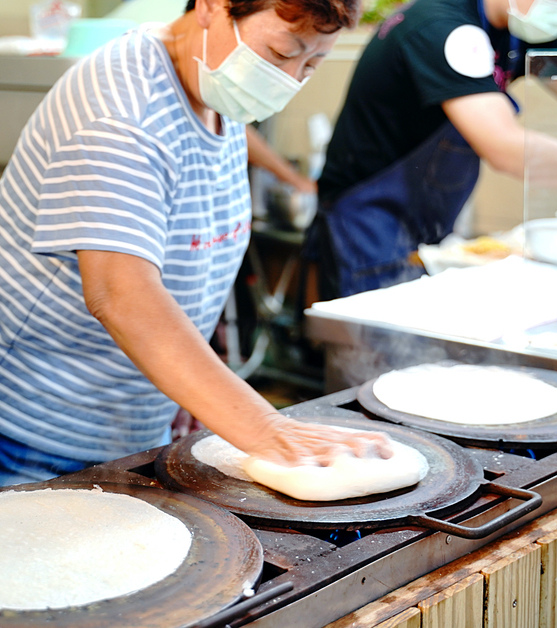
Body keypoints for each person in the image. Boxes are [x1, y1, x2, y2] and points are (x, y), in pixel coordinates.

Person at [0, 0, 392, 487]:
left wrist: (195, 397)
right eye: (279, 52)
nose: (289, 79)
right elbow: (121, 296)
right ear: (212, 6)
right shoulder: (123, 112)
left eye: (311, 63)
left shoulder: (214, 88)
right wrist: (264, 427)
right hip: (37, 435)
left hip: (135, 424)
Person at [307, 0, 557, 299]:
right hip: (367, 218)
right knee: (372, 340)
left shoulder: (527, 30)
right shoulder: (440, 26)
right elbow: (504, 146)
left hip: (428, 222)